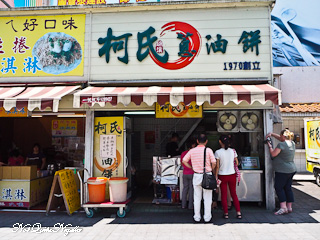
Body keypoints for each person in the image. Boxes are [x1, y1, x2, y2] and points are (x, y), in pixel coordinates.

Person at [183, 133, 216, 223]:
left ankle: (197, 217)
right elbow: (214, 162)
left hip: (197, 175)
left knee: (197, 197)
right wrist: (210, 169)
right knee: (207, 198)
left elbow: (184, 160)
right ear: (206, 141)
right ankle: (207, 217)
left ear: (197, 141)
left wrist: (191, 167)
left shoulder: (192, 151)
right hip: (207, 175)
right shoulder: (208, 150)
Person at [266, 129, 297, 215]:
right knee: (288, 188)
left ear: (283, 136)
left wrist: (270, 146)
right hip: (292, 169)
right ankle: (289, 207)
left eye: (280, 136)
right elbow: (281, 139)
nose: (279, 137)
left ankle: (283, 208)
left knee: (278, 187)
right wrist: (272, 134)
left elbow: (273, 154)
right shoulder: (292, 143)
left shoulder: (281, 145)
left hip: (282, 170)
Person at [215, 135, 242, 219]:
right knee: (234, 194)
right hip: (232, 174)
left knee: (223, 195)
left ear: (220, 142)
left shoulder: (218, 152)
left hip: (222, 175)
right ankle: (238, 213)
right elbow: (237, 163)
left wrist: (216, 176)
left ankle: (226, 213)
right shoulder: (233, 151)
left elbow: (217, 166)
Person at [181, 139, 196, 209]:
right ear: (192, 145)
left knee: (185, 189)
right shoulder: (194, 153)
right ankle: (190, 206)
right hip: (192, 173)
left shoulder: (183, 153)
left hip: (185, 173)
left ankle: (183, 205)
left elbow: (182, 163)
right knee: (191, 189)